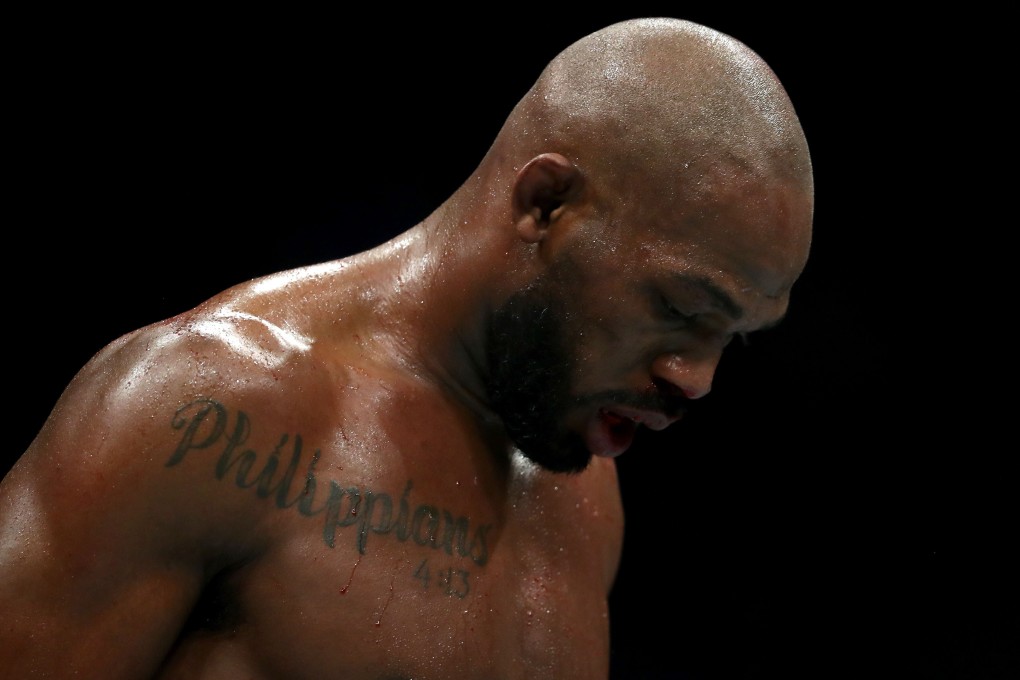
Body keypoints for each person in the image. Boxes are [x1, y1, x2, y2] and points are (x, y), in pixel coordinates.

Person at [0, 16, 813, 680]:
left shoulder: (582, 496)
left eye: (733, 337)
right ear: (546, 204)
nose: (696, 378)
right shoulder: (202, 411)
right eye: (679, 307)